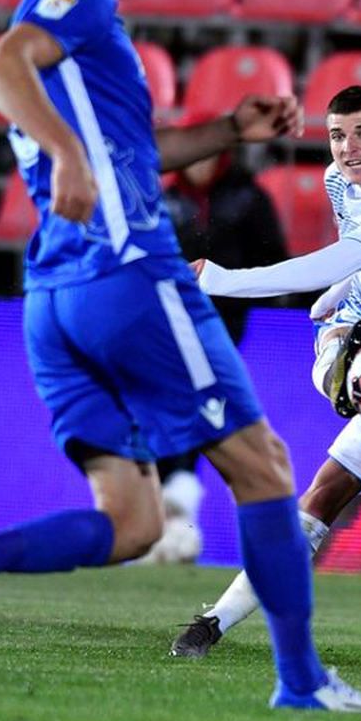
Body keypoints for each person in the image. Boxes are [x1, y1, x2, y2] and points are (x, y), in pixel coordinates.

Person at [0, 0, 361, 714]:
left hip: (54, 298)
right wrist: (64, 154)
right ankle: (302, 682)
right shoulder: (79, 4)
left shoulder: (76, 39)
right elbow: (0, 62)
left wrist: (229, 131)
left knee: (130, 522)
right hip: (127, 275)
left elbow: (136, 150)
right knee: (266, 467)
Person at [169, 85, 361, 658]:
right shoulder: (342, 183)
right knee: (334, 361)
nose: (348, 148)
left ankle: (213, 623)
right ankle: (343, 361)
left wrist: (217, 278)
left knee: (324, 493)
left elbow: (337, 257)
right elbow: (356, 260)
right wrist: (340, 293)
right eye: (337, 135)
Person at [136, 151, 289, 565]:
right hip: (164, 325)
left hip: (222, 326)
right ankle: (168, 513)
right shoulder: (159, 198)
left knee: (201, 410)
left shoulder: (248, 200)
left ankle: (175, 511)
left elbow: (273, 257)